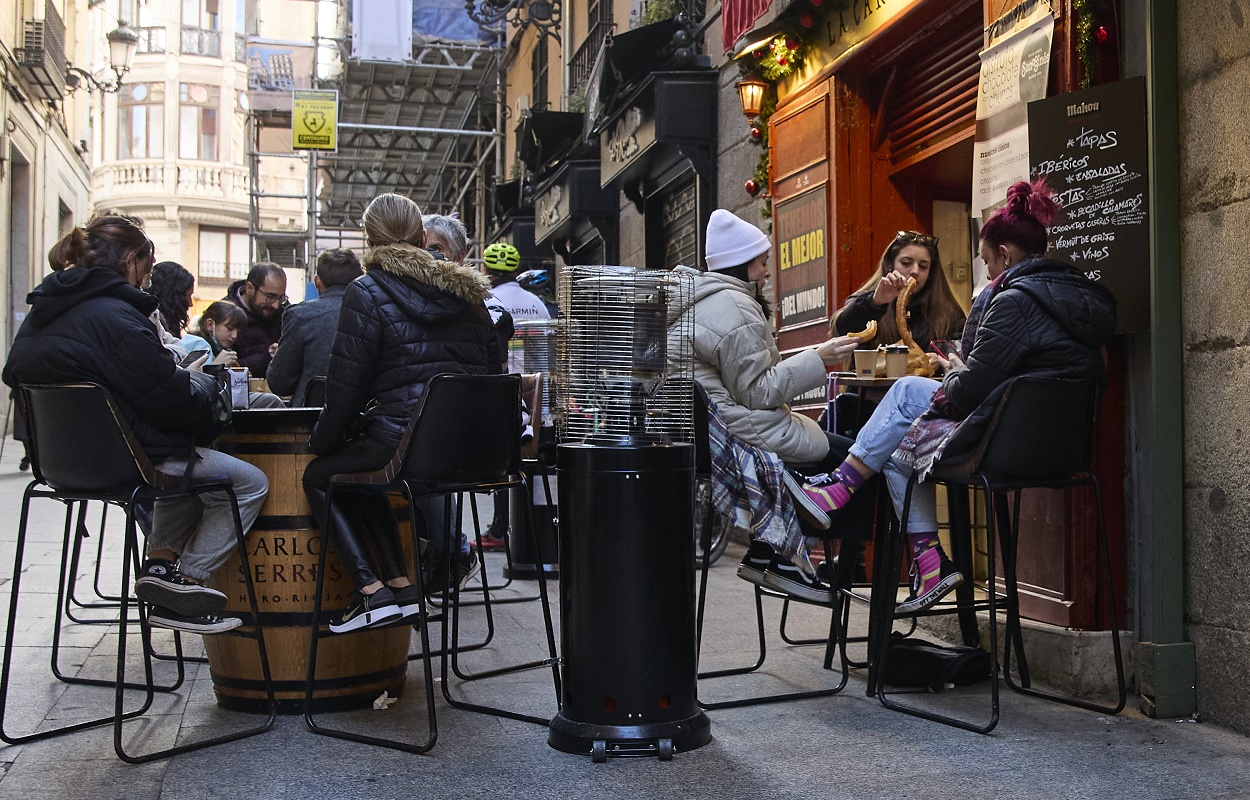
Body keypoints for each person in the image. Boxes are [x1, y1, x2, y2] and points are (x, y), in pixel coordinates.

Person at [795, 178, 1117, 614]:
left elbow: (967, 393)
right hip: (1061, 449)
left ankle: (839, 489)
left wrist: (953, 372)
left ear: (1004, 255)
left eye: (986, 262)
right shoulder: (1076, 297)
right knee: (899, 447)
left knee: (908, 393)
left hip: (1004, 446)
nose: (986, 273)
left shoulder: (1013, 301)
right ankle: (930, 563)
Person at [2, 215, 268, 634]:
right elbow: (173, 401)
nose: (148, 277)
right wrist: (205, 383)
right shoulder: (119, 319)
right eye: (147, 265)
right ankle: (188, 583)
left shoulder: (42, 314)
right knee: (248, 482)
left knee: (188, 457)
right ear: (129, 260)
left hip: (57, 465)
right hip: (125, 461)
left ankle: (160, 571)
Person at [302, 193, 502, 633]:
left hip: (403, 449)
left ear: (369, 239)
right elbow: (494, 377)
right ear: (419, 235)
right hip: (473, 456)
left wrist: (322, 440)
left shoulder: (366, 290)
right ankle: (403, 591)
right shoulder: (471, 294)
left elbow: (346, 389)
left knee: (321, 475)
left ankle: (372, 593)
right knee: (359, 480)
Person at [668, 208, 863, 600]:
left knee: (849, 453)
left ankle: (770, 551)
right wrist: (819, 357)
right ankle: (791, 555)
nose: (767, 271)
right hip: (738, 435)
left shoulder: (701, 300)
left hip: (709, 438)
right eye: (762, 263)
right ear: (741, 265)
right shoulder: (734, 308)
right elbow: (759, 392)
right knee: (860, 462)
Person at [831, 230, 966, 356]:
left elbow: (962, 350)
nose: (915, 271)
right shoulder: (866, 300)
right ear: (890, 265)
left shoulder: (948, 312)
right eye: (906, 263)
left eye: (923, 266)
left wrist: (940, 358)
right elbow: (841, 331)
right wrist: (874, 303)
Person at [267, 248, 363, 405]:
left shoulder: (300, 316)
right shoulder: (378, 313)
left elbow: (279, 383)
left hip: (309, 418)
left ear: (317, 281)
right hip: (364, 418)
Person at [224, 262, 287, 378]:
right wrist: (268, 356)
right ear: (249, 288)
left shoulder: (284, 314)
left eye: (281, 298)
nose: (276, 305)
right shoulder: (225, 317)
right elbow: (228, 367)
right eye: (270, 297)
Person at [483, 242, 549, 324]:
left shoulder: (484, 301)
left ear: (486, 270)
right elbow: (550, 333)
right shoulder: (536, 302)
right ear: (515, 272)